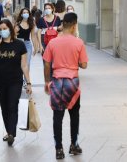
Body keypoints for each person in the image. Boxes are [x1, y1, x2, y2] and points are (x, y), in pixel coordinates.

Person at [42, 13, 88, 159]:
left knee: (57, 116)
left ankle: (58, 149)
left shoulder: (53, 43)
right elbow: (84, 65)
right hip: (72, 83)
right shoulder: (79, 42)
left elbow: (47, 64)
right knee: (74, 115)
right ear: (74, 25)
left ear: (64, 25)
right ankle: (74, 144)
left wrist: (47, 81)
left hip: (56, 81)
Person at [0, 19, 32, 146]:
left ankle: (11, 133)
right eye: (0, 29)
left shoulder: (19, 44)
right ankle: (8, 131)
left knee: (12, 106)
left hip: (15, 81)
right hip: (0, 81)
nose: (3, 31)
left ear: (10, 29)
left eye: (5, 28)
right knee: (4, 107)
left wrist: (28, 83)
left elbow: (24, 66)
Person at [15, 8, 39, 74]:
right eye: (24, 13)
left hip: (27, 44)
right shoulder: (18, 24)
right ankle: (20, 79)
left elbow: (33, 36)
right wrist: (15, 31)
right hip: (19, 44)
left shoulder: (31, 24)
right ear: (21, 14)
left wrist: (35, 47)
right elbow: (13, 35)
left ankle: (26, 80)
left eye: (27, 13)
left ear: (29, 14)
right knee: (19, 63)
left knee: (27, 63)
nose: (26, 14)